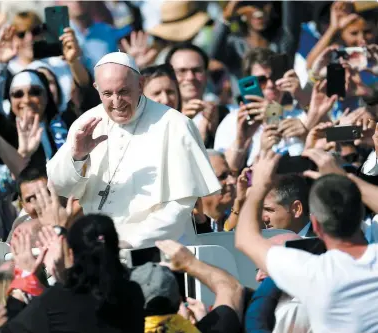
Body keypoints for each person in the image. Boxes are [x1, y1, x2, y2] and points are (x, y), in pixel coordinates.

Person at [47, 52, 220, 249]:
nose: (116, 101)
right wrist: (77, 156)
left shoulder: (176, 125)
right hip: (101, 249)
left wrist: (132, 243)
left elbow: (179, 207)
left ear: (140, 84)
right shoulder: (86, 123)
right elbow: (61, 188)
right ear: (97, 89)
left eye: (123, 91)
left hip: (162, 250)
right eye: (107, 94)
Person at [235, 149, 378, 332]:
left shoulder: (314, 272)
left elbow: (245, 238)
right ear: (361, 214)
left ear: (316, 224)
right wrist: (346, 180)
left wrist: (258, 187)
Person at [2, 214, 146, 333]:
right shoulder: (133, 293)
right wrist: (62, 274)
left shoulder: (55, 300)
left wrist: (25, 278)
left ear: (70, 254)